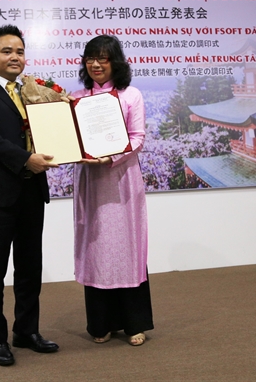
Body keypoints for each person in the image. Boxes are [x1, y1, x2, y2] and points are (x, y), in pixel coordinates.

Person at [0, 24, 60, 366]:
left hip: (33, 192)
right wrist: (26, 160)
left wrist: (59, 149)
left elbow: (48, 132)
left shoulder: (33, 92)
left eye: (19, 51)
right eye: (7, 51)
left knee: (30, 267)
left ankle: (26, 331)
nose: (14, 57)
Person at [70, 35, 154, 346]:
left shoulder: (131, 95)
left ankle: (134, 323)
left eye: (102, 58)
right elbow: (69, 137)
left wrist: (112, 156)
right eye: (90, 58)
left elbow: (138, 136)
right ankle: (100, 324)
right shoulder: (76, 97)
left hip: (122, 180)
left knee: (127, 248)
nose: (95, 64)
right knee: (97, 250)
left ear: (115, 62)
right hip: (91, 182)